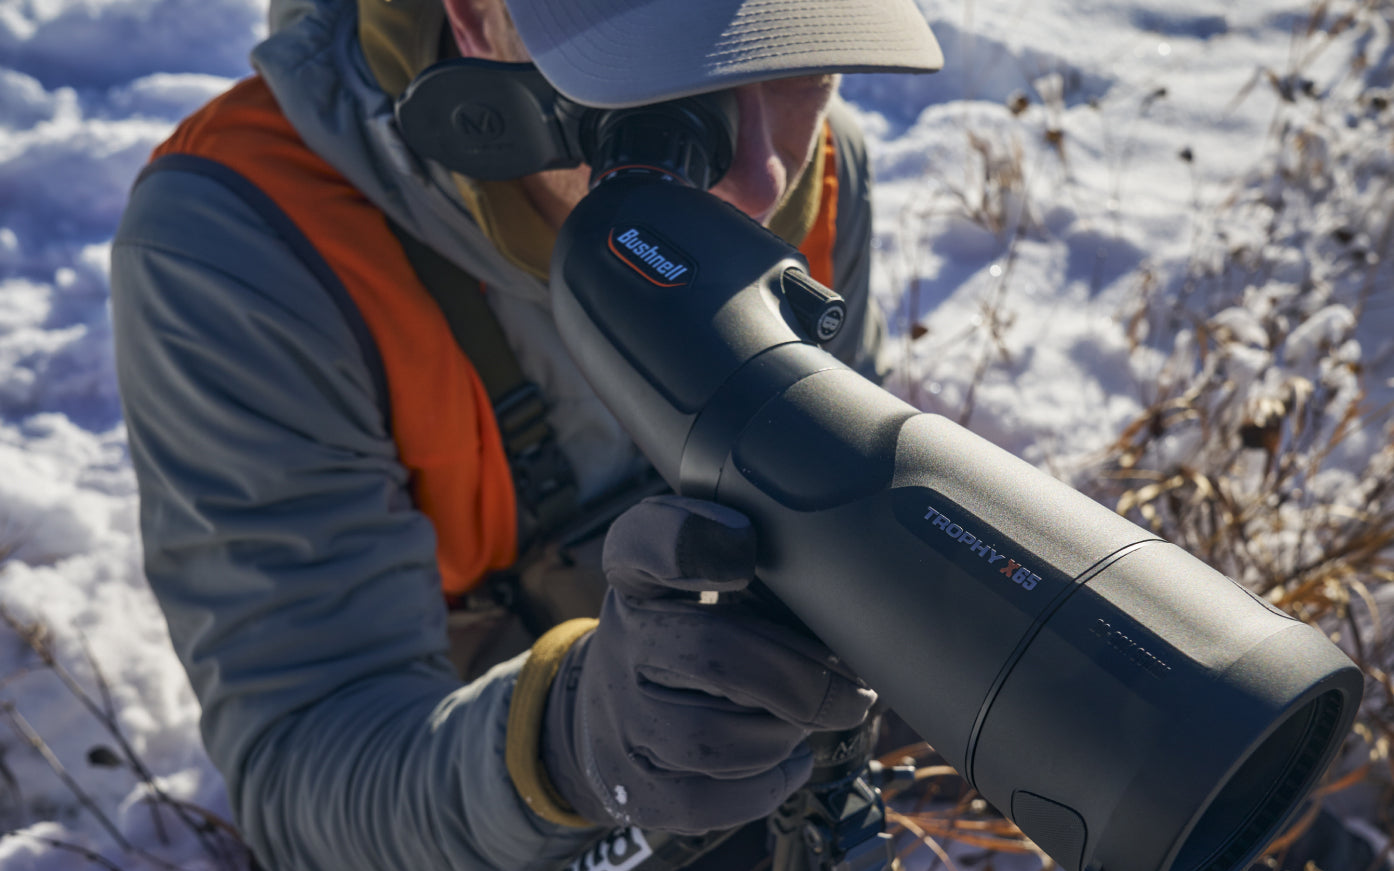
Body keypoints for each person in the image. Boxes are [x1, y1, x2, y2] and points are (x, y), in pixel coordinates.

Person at [109, 0, 944, 869]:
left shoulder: (813, 165)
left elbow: (845, 510)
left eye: (805, 65)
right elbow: (307, 770)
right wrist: (563, 746)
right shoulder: (247, 247)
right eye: (680, 85)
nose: (764, 181)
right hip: (454, 782)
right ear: (475, 19)